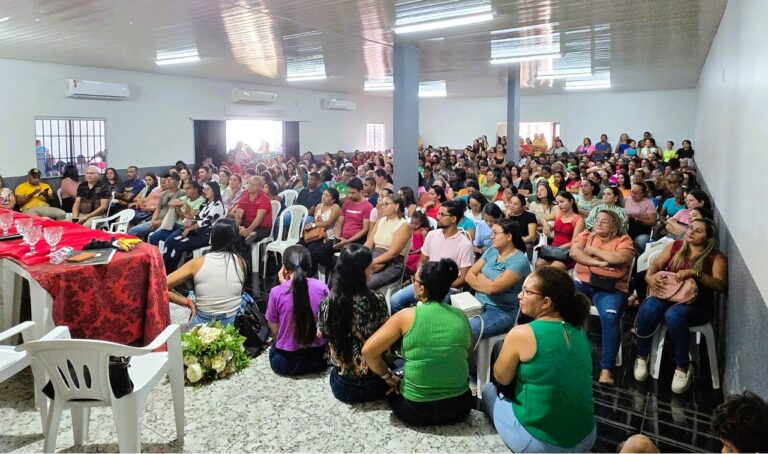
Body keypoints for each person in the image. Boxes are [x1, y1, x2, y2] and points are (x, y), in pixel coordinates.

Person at [483, 267, 596, 453]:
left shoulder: (523, 333)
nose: (520, 295)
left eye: (527, 292)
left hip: (542, 445)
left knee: (488, 390)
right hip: (587, 437)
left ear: (546, 303)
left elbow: (501, 378)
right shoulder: (578, 330)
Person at [362, 259, 473, 426]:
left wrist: (387, 376)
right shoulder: (461, 316)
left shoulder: (406, 316)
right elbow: (466, 355)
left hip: (416, 410)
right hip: (460, 407)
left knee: (394, 369)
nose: (412, 282)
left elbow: (368, 352)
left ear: (422, 288)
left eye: (415, 280)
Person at [632, 218, 727, 393]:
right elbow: (656, 264)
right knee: (649, 308)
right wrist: (649, 277)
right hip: (668, 295)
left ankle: (682, 366)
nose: (691, 231)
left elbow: (721, 286)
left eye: (698, 230)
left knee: (674, 316)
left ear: (709, 237)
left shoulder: (715, 257)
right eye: (691, 228)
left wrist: (696, 274)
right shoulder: (675, 247)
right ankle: (642, 355)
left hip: (697, 305)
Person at [570, 209, 635, 385]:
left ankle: (606, 368)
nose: (598, 223)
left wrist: (591, 250)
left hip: (611, 289)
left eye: (604, 221)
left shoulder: (624, 240)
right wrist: (599, 262)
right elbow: (575, 253)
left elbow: (620, 257)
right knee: (563, 302)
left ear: (614, 225)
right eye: (597, 220)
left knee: (610, 316)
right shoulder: (586, 235)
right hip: (584, 284)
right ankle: (566, 354)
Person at [317, 244, 390, 402]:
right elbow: (387, 338)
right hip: (376, 383)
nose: (372, 272)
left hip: (342, 386)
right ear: (361, 273)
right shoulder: (377, 300)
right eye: (370, 269)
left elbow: (322, 333)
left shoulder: (328, 303)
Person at [389, 200, 475, 313]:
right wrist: (419, 277)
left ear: (454, 219)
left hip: (447, 287)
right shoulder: (432, 235)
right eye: (438, 213)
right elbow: (422, 261)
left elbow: (463, 277)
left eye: (442, 214)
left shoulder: (465, 244)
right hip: (425, 282)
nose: (438, 217)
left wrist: (440, 286)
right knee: (394, 301)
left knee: (428, 311)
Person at [166, 219, 247, 327]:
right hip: (232, 323)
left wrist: (187, 302)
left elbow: (161, 286)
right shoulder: (241, 262)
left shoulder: (198, 263)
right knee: (245, 297)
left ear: (213, 238)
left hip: (203, 323)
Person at [465, 218, 531, 342]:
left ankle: (471, 361)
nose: (491, 237)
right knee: (452, 323)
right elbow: (469, 275)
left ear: (508, 236)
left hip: (501, 311)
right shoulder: (491, 251)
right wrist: (488, 282)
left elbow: (494, 289)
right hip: (476, 303)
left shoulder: (519, 260)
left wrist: (479, 275)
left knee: (466, 330)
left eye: (495, 233)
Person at [266, 245, 329, 376]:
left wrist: (284, 286)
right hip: (319, 360)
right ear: (309, 264)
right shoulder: (321, 286)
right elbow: (327, 322)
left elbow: (275, 330)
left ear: (284, 268)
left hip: (286, 363)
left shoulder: (277, 292)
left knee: (273, 347)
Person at [310, 177, 372, 275]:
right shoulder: (347, 203)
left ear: (361, 191)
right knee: (316, 253)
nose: (350, 195)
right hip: (340, 239)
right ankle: (338, 271)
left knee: (346, 259)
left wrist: (347, 241)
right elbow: (340, 222)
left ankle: (341, 273)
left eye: (353, 193)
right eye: (349, 192)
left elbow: (364, 230)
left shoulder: (367, 206)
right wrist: (337, 237)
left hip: (355, 241)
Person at [162, 181, 225, 272]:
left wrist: (189, 229)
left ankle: (170, 272)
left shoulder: (218, 205)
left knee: (179, 245)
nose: (205, 191)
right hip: (195, 231)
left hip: (207, 234)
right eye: (205, 189)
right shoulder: (205, 204)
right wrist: (186, 224)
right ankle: (163, 270)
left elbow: (205, 222)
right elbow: (195, 218)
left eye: (208, 189)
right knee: (169, 241)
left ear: (215, 191)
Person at [364, 195, 412, 290]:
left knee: (367, 283)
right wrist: (359, 257)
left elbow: (393, 253)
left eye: (386, 204)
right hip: (374, 255)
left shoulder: (403, 225)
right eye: (382, 204)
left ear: (397, 206)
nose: (383, 207)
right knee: (347, 274)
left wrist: (371, 262)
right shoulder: (380, 221)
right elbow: (368, 244)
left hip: (392, 263)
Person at [129, 173, 184, 241]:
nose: (168, 181)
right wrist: (153, 221)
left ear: (178, 182)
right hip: (156, 221)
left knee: (154, 237)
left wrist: (160, 222)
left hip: (169, 223)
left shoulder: (182, 193)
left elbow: (178, 215)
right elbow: (158, 209)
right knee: (132, 231)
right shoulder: (164, 194)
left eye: (171, 179)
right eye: (167, 179)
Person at [537, 192, 585, 270]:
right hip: (554, 248)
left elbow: (574, 242)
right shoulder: (558, 215)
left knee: (555, 267)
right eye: (557, 203)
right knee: (539, 263)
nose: (559, 205)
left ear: (571, 201)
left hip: (567, 251)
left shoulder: (578, 220)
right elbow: (541, 219)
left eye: (562, 202)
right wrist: (545, 224)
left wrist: (557, 249)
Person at [234, 175, 273, 244]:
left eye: (254, 184)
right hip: (246, 226)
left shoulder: (264, 199)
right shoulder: (244, 199)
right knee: (233, 234)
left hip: (262, 228)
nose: (250, 186)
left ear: (260, 187)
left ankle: (250, 238)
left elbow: (259, 218)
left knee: (249, 237)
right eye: (249, 183)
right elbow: (238, 216)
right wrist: (238, 228)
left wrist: (248, 231)